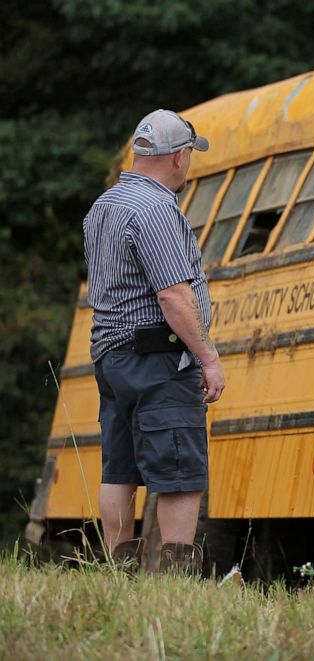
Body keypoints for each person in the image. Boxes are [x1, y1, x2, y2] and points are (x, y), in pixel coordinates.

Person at [83, 109, 226, 573]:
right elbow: (172, 294)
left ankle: (120, 575)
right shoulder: (157, 209)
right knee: (180, 475)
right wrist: (206, 356)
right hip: (158, 358)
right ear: (180, 158)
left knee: (119, 470)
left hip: (112, 358)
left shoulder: (102, 207)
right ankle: (177, 584)